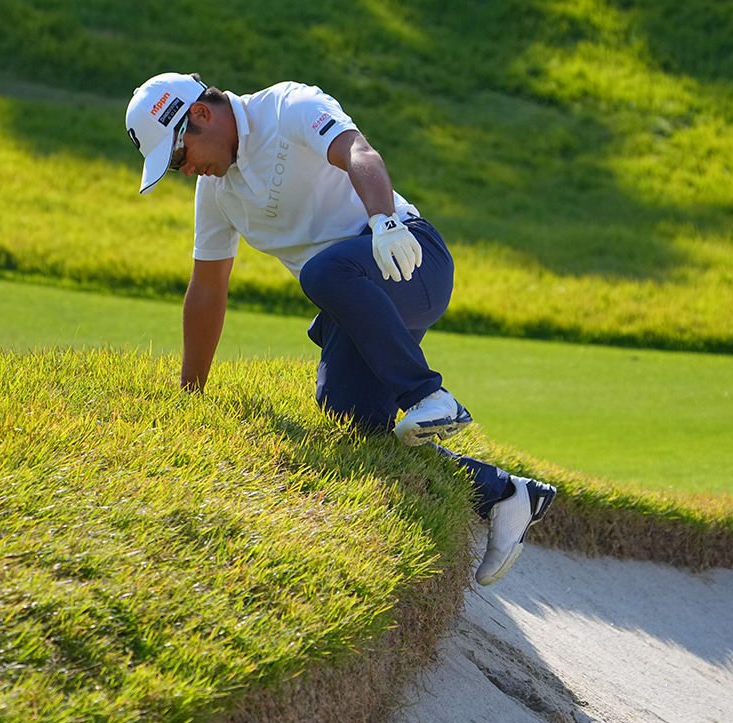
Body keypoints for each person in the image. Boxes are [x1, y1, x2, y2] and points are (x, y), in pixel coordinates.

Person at [125, 72, 554, 586]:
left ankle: (429, 394)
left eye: (178, 157)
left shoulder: (287, 106)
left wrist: (384, 221)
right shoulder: (215, 192)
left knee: (323, 270)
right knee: (351, 421)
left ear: (199, 116)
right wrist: (190, 395)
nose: (185, 169)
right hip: (353, 303)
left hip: (410, 256)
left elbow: (358, 152)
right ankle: (505, 495)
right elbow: (208, 291)